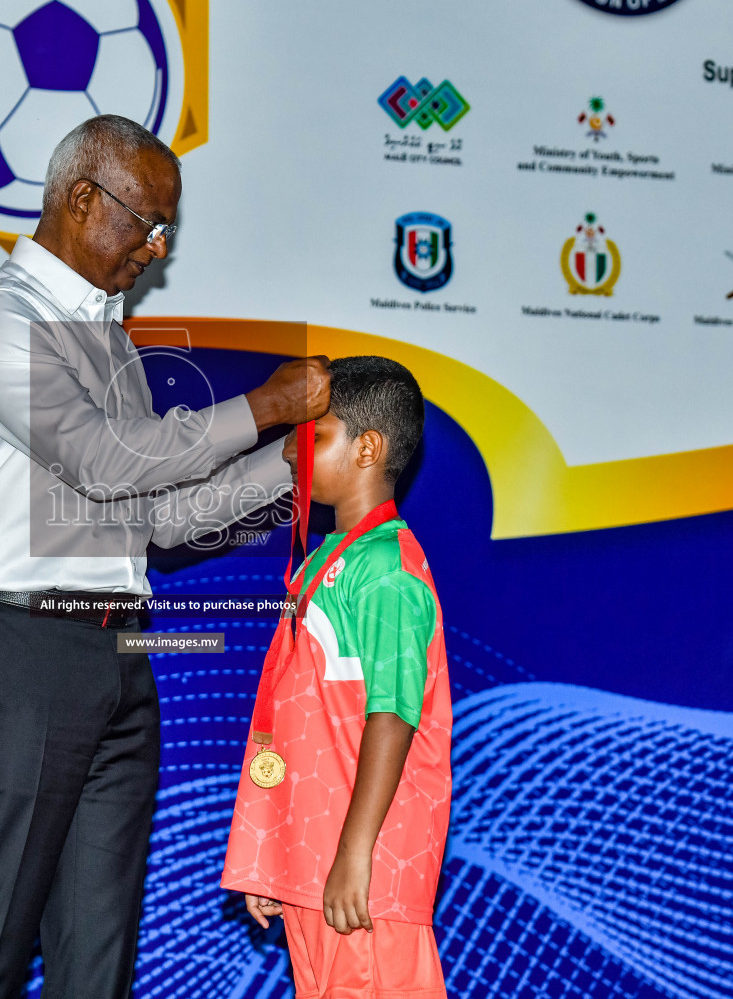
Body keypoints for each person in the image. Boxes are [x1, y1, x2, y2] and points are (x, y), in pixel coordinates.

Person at [0, 114, 331, 999]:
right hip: (19, 649)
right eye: (147, 222)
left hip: (118, 651)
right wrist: (261, 407)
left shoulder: (111, 344)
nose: (157, 246)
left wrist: (286, 462)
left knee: (95, 962)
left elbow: (165, 520)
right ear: (79, 198)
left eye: (166, 229)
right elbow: (102, 464)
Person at [222, 356, 451, 999]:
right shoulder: (328, 559)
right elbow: (293, 722)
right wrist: (275, 856)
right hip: (313, 865)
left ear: (368, 448)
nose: (293, 457)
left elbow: (393, 714)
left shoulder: (387, 571)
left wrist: (356, 857)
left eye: (312, 439)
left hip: (363, 875)